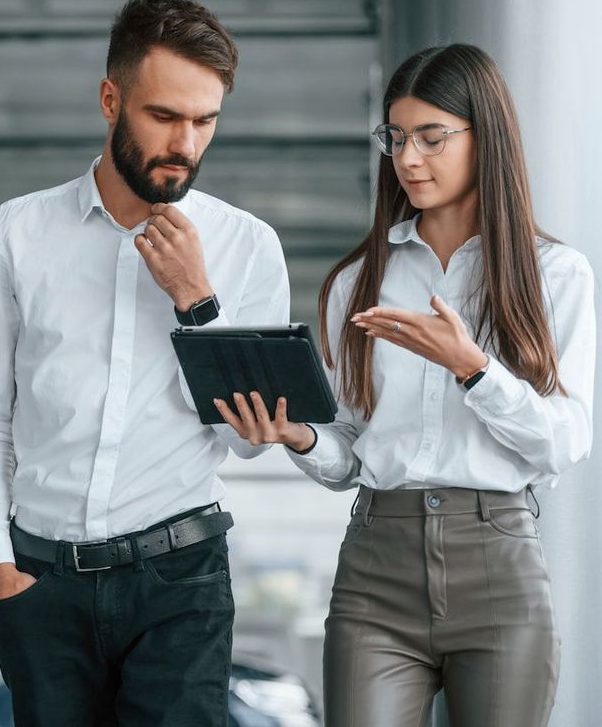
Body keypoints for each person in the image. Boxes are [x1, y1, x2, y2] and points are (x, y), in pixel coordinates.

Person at [215, 43, 595, 727]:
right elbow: (352, 453)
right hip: (375, 568)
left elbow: (563, 442)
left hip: (499, 562)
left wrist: (473, 368)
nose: (408, 158)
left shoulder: (556, 275)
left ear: (487, 139)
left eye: (431, 137)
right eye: (395, 137)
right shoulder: (359, 280)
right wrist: (298, 433)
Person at [0, 0, 291, 726]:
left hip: (181, 580)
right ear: (111, 100)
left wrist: (197, 300)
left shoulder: (247, 247)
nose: (186, 144)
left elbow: (247, 440)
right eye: (164, 117)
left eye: (205, 121)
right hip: (40, 582)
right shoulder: (14, 236)